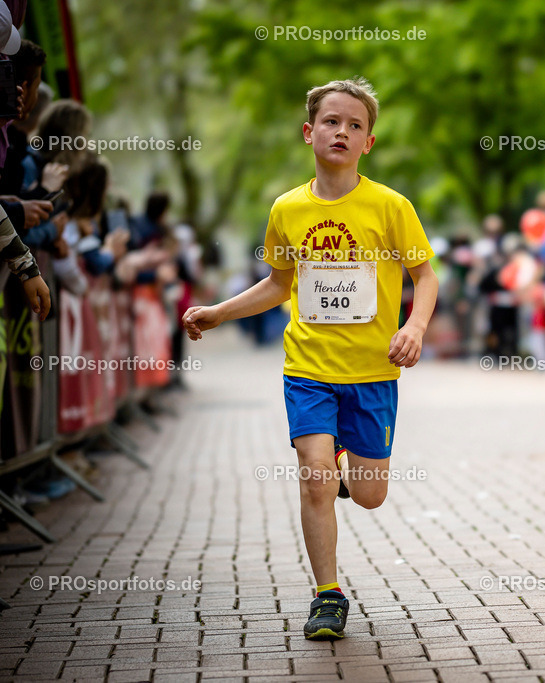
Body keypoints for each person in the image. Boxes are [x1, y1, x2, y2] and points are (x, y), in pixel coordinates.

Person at [181, 77, 438, 640]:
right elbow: (278, 285)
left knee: (369, 495)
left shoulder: (390, 206)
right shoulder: (287, 209)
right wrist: (219, 312)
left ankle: (348, 460)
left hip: (373, 372)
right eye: (331, 121)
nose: (341, 131)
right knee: (316, 481)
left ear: (368, 142)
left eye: (354, 125)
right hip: (308, 370)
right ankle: (328, 595)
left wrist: (415, 326)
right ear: (309, 132)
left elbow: (425, 274)